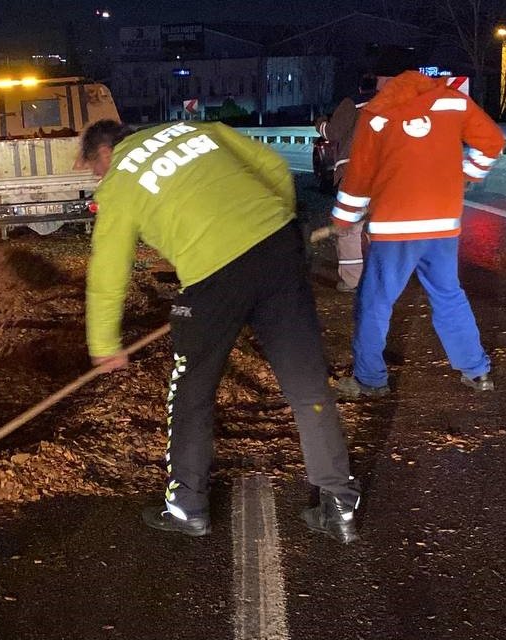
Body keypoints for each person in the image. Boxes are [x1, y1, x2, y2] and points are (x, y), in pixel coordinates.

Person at [82, 119, 362, 544]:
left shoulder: (120, 180)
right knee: (307, 386)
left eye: (93, 168)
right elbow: (271, 165)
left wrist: (104, 344)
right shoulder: (196, 128)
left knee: (190, 395)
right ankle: (338, 505)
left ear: (105, 153)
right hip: (278, 251)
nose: (97, 176)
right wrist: (283, 225)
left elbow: (108, 269)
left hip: (213, 280)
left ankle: (187, 508)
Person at [325, 70, 505, 398]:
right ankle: (477, 372)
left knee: (374, 302)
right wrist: (468, 173)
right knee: (448, 294)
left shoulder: (376, 114)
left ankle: (370, 380)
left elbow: (360, 176)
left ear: (384, 82)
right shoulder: (453, 102)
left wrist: (343, 218)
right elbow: (492, 141)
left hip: (394, 228)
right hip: (443, 224)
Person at [317, 74, 379, 293]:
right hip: (385, 173)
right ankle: (383, 278)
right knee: (379, 228)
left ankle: (352, 281)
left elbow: (333, 133)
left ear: (360, 87)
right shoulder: (392, 103)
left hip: (355, 172)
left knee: (349, 229)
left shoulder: (352, 103)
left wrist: (321, 122)